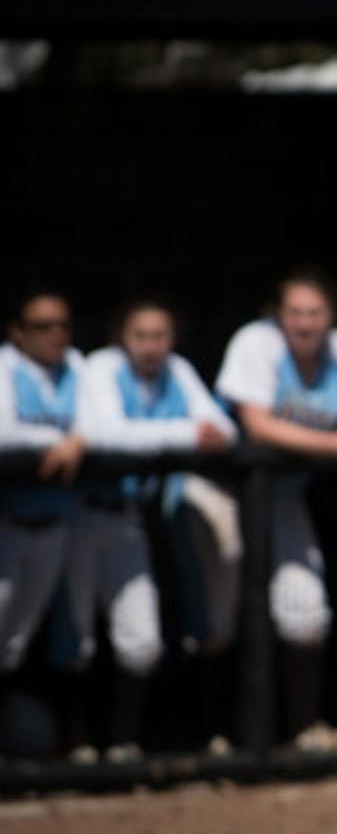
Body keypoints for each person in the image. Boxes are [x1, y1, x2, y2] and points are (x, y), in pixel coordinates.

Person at [215, 268, 337, 753]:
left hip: (284, 496)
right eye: (295, 312)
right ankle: (214, 735)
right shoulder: (256, 343)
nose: (305, 323)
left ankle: (304, 730)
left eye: (315, 312)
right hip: (222, 490)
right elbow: (257, 427)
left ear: (331, 316)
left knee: (306, 615)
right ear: (277, 315)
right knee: (215, 621)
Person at [70, 299, 238, 760]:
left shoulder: (177, 371)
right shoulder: (101, 367)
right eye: (140, 335)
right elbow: (106, 435)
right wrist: (185, 435)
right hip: (81, 517)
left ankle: (123, 744)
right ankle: (78, 745)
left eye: (159, 335)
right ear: (122, 336)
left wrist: (181, 433)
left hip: (129, 518)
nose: (150, 346)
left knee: (142, 642)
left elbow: (223, 429)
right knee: (74, 640)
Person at [0, 291, 88, 757]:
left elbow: (101, 422)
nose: (57, 335)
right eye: (43, 326)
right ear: (17, 332)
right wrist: (60, 438)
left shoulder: (76, 367)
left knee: (16, 646)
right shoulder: (5, 368)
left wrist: (79, 439)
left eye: (63, 325)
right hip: (8, 524)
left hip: (57, 523)